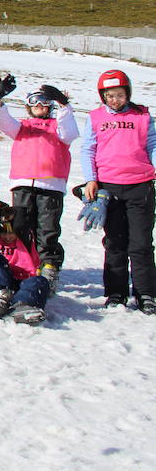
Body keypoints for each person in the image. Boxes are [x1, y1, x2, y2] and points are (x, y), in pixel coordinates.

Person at [79, 69, 156, 312]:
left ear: (128, 93)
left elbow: (153, 145)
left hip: (140, 186)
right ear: (103, 96)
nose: (115, 100)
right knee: (115, 242)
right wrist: (91, 180)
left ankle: (146, 294)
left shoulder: (142, 115)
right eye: (110, 95)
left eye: (120, 95)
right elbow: (87, 150)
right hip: (108, 187)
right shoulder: (95, 117)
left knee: (141, 244)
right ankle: (115, 293)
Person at [0, 77, 77, 290]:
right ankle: (25, 265)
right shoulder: (22, 127)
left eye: (44, 102)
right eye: (34, 101)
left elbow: (70, 133)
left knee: (47, 229)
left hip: (50, 185)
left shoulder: (58, 126)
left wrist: (64, 105)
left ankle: (48, 268)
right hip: (23, 183)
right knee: (21, 227)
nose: (39, 106)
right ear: (28, 106)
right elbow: (4, 123)